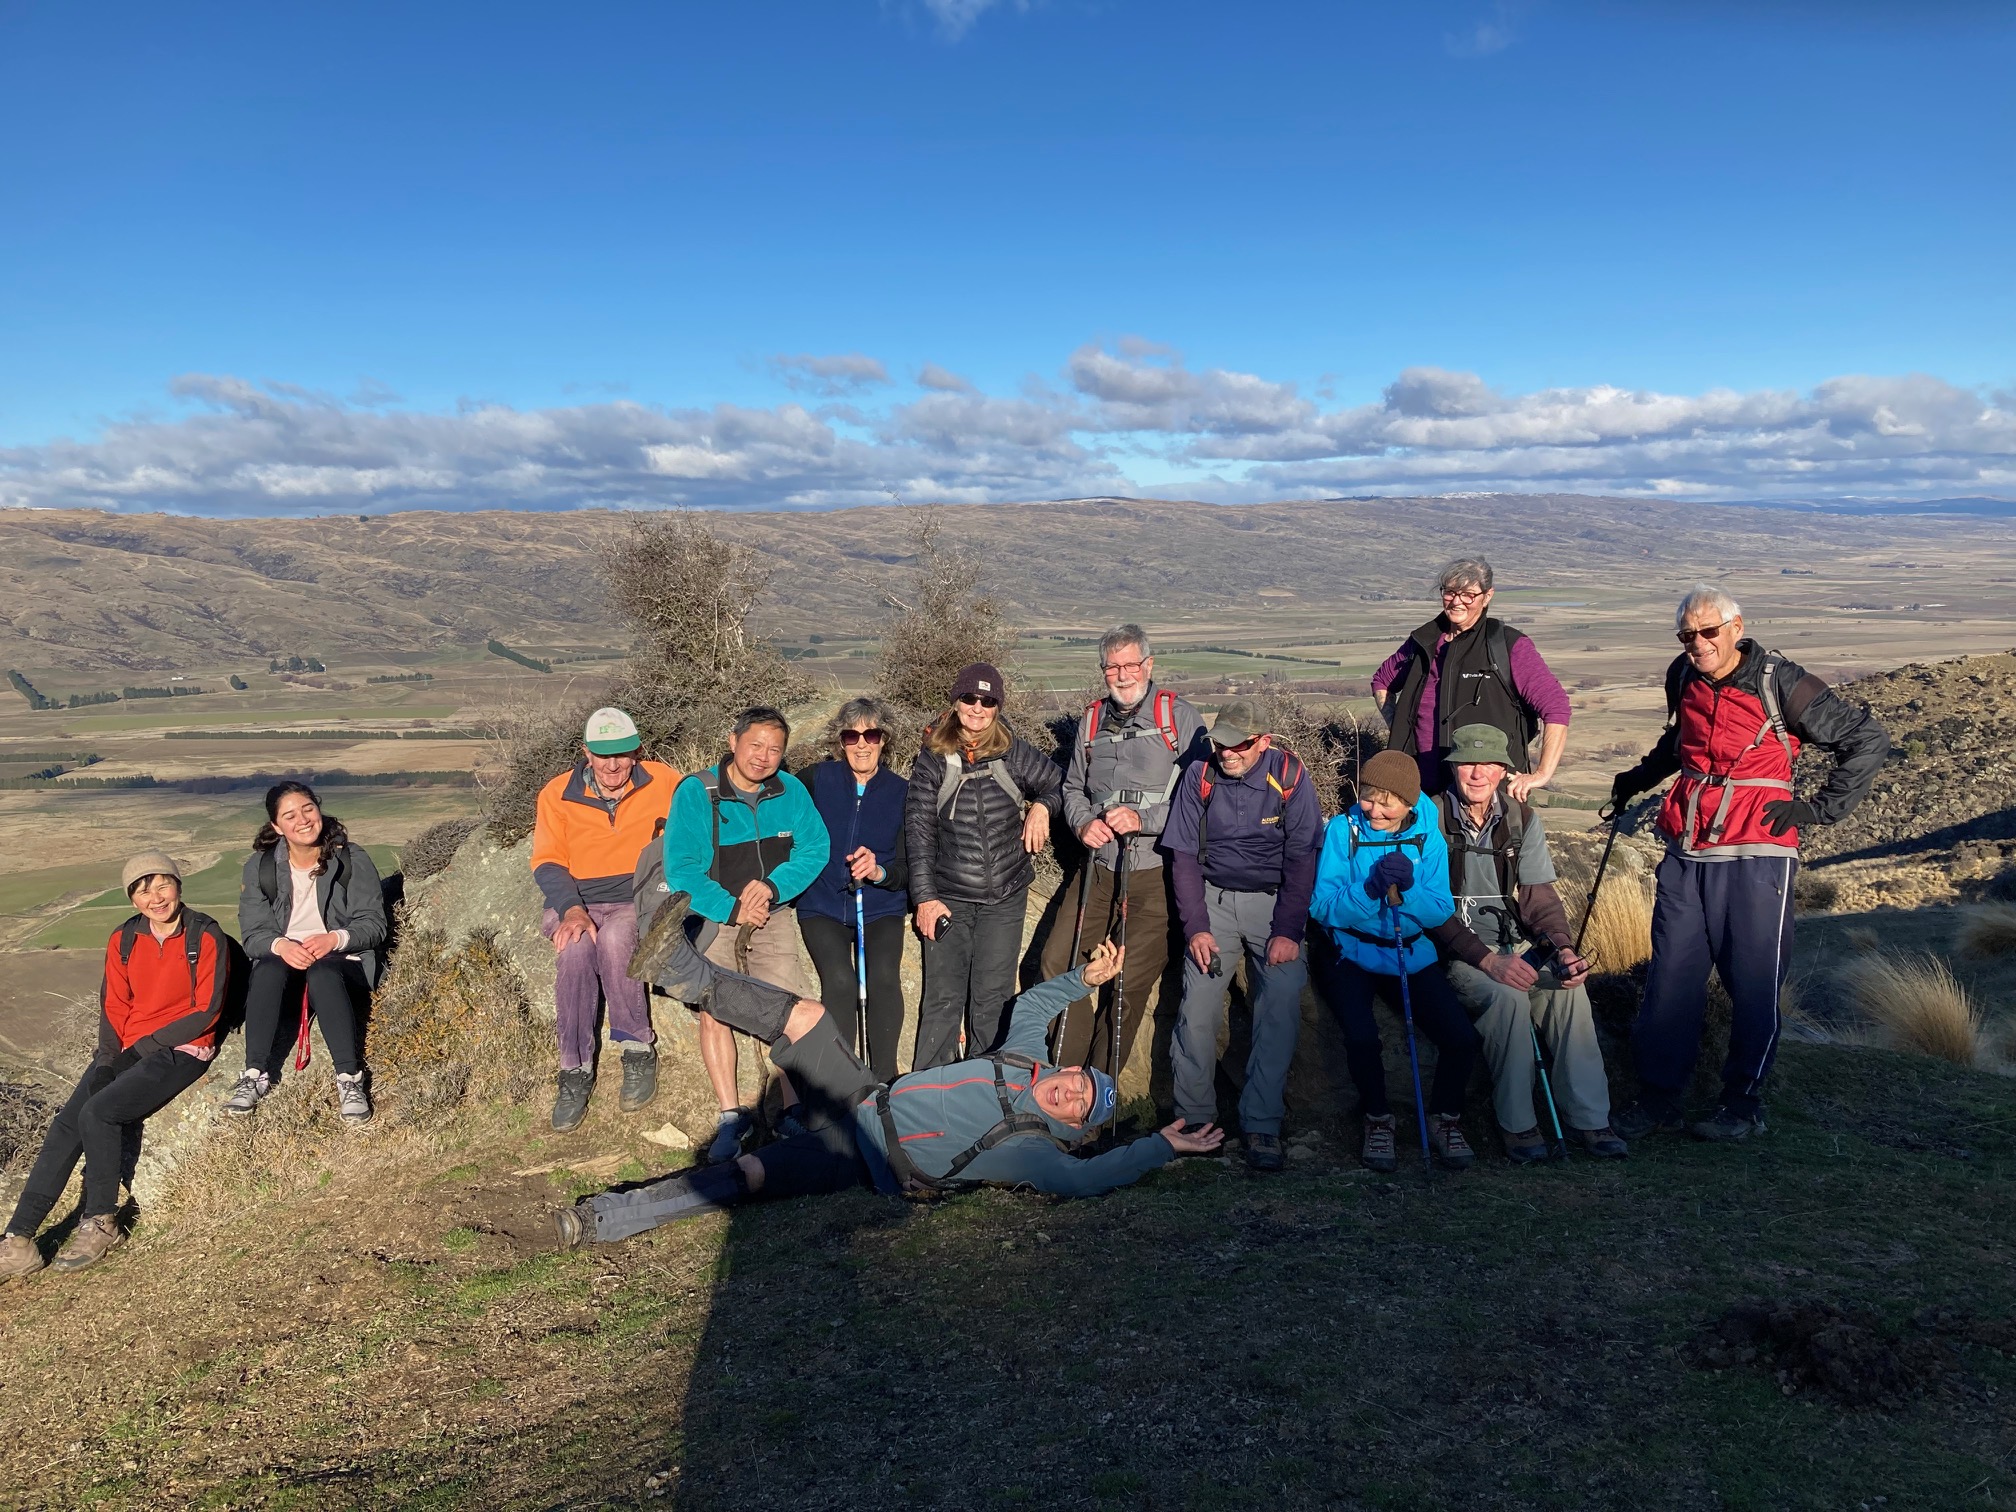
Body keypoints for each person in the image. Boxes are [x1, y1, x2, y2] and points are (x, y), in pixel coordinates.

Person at [565, 896, 1224, 1247]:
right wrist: (1087, 978)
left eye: (1079, 1100)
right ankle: (683, 972)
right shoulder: (1027, 1062)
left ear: (1074, 1124)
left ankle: (608, 1219)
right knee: (805, 1016)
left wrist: (1161, 1145)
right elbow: (1032, 1004)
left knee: (755, 1174)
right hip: (864, 1095)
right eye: (1078, 1076)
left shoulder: (1034, 1151)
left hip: (869, 1153)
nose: (1069, 1085)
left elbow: (1091, 1180)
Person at [1608, 586, 1888, 1142]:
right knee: (1671, 978)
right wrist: (1636, 779)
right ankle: (1658, 1098)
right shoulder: (1682, 675)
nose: (1697, 643)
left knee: (1754, 982)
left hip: (1759, 852)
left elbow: (1867, 738)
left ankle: (1742, 1105)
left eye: (1708, 631)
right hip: (1688, 848)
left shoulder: (1780, 680)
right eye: (1687, 634)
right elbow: (1679, 743)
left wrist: (1819, 808)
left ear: (1736, 627)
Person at [1, 853, 230, 1279]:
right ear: (131, 898)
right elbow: (113, 1007)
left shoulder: (204, 936)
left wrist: (141, 1050)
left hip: (182, 1049)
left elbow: (206, 1011)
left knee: (100, 1112)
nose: (155, 897)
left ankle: (101, 1221)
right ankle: (19, 1240)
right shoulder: (123, 940)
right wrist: (108, 1060)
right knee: (67, 1124)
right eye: (142, 890)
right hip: (127, 1049)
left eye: (162, 884)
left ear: (178, 885)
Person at [1433, 724, 1627, 1162]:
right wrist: (1486, 961)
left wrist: (1561, 947)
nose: (1477, 773)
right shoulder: (1431, 818)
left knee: (1567, 991)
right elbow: (1430, 909)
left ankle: (1590, 1119)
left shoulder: (1522, 819)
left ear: (1504, 770)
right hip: (1460, 953)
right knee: (1506, 999)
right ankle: (1518, 1126)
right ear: (1453, 768)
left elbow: (1538, 896)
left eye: (1488, 764)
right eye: (1467, 762)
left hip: (1516, 945)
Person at [1160, 700, 1324, 1171]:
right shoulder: (1200, 775)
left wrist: (1289, 930)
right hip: (1212, 902)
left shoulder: (1290, 776)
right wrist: (1196, 928)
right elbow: (1184, 857)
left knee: (1281, 1004)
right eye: (1220, 743)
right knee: (1196, 1011)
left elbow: (1301, 859)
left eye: (1239, 744)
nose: (1227, 752)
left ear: (1263, 742)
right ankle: (1194, 1123)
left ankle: (1262, 1124)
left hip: (1275, 906)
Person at [662, 706, 830, 1165]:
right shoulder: (698, 793)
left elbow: (815, 848)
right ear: (733, 741)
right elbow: (682, 870)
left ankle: (791, 1109)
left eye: (775, 748)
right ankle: (731, 1115)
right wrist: (733, 907)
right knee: (714, 1008)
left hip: (772, 914)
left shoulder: (789, 790)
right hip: (714, 916)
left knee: (790, 1005)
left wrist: (773, 887)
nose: (764, 756)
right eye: (756, 744)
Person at [1041, 624, 1207, 1077]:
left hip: (1155, 871)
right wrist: (1081, 822)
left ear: (1148, 665)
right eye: (1112, 666)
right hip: (1097, 867)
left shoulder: (1180, 718)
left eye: (1130, 664)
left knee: (1126, 987)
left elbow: (1202, 799)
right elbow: (1072, 786)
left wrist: (1144, 820)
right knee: (1058, 962)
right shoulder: (1091, 719)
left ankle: (1099, 1103)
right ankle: (1063, 1088)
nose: (1122, 674)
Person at [1309, 750, 1483, 1172]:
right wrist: (1369, 890)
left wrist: (1409, 889)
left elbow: (1440, 909)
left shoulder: (1429, 835)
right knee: (1363, 1038)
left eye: (1388, 802)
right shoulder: (1341, 830)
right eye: (1368, 797)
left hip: (1410, 951)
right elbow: (1323, 907)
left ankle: (1445, 1120)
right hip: (1349, 952)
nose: (1375, 810)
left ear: (1409, 802)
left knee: (1462, 1039)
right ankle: (1378, 1120)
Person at [527, 707, 681, 1133]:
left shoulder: (664, 781)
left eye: (623, 753)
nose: (613, 765)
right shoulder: (556, 794)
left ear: (637, 752)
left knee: (615, 939)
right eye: (602, 755)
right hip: (578, 900)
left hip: (638, 899)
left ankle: (637, 1048)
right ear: (586, 753)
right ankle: (573, 1070)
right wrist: (571, 908)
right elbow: (548, 861)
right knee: (574, 949)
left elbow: (693, 827)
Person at [905, 663, 1063, 1069]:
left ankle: (985, 1094)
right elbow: (919, 831)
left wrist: (1042, 808)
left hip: (1005, 899)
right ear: (956, 701)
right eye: (969, 699)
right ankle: (927, 1097)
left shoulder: (1012, 751)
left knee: (992, 999)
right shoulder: (934, 757)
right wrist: (925, 899)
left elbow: (1056, 783)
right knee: (942, 998)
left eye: (988, 700)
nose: (977, 708)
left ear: (997, 706)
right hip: (950, 898)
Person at [227, 781, 388, 1127]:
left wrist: (335, 939)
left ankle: (349, 1079)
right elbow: (253, 935)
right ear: (276, 827)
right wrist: (281, 945)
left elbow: (375, 924)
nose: (302, 820)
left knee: (323, 973)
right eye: (290, 815)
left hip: (342, 962)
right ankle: (254, 1073)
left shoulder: (351, 858)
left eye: (308, 809)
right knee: (268, 969)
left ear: (319, 809)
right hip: (286, 965)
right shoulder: (260, 867)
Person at [1371, 556, 1573, 798]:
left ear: (1487, 597)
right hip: (1419, 787)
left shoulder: (1507, 645)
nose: (1456, 602)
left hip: (1485, 791)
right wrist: (1400, 729)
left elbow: (1556, 707)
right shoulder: (1423, 641)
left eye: (1468, 594)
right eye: (1449, 592)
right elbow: (1382, 681)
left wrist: (1542, 774)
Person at [798, 698, 910, 1083]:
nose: (862, 744)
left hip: (879, 906)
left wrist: (879, 870)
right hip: (822, 904)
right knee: (841, 982)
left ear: (884, 740)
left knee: (881, 977)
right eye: (851, 735)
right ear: (840, 741)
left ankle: (885, 1080)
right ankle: (844, 1080)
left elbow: (909, 867)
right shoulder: (815, 779)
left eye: (871, 734)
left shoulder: (902, 792)